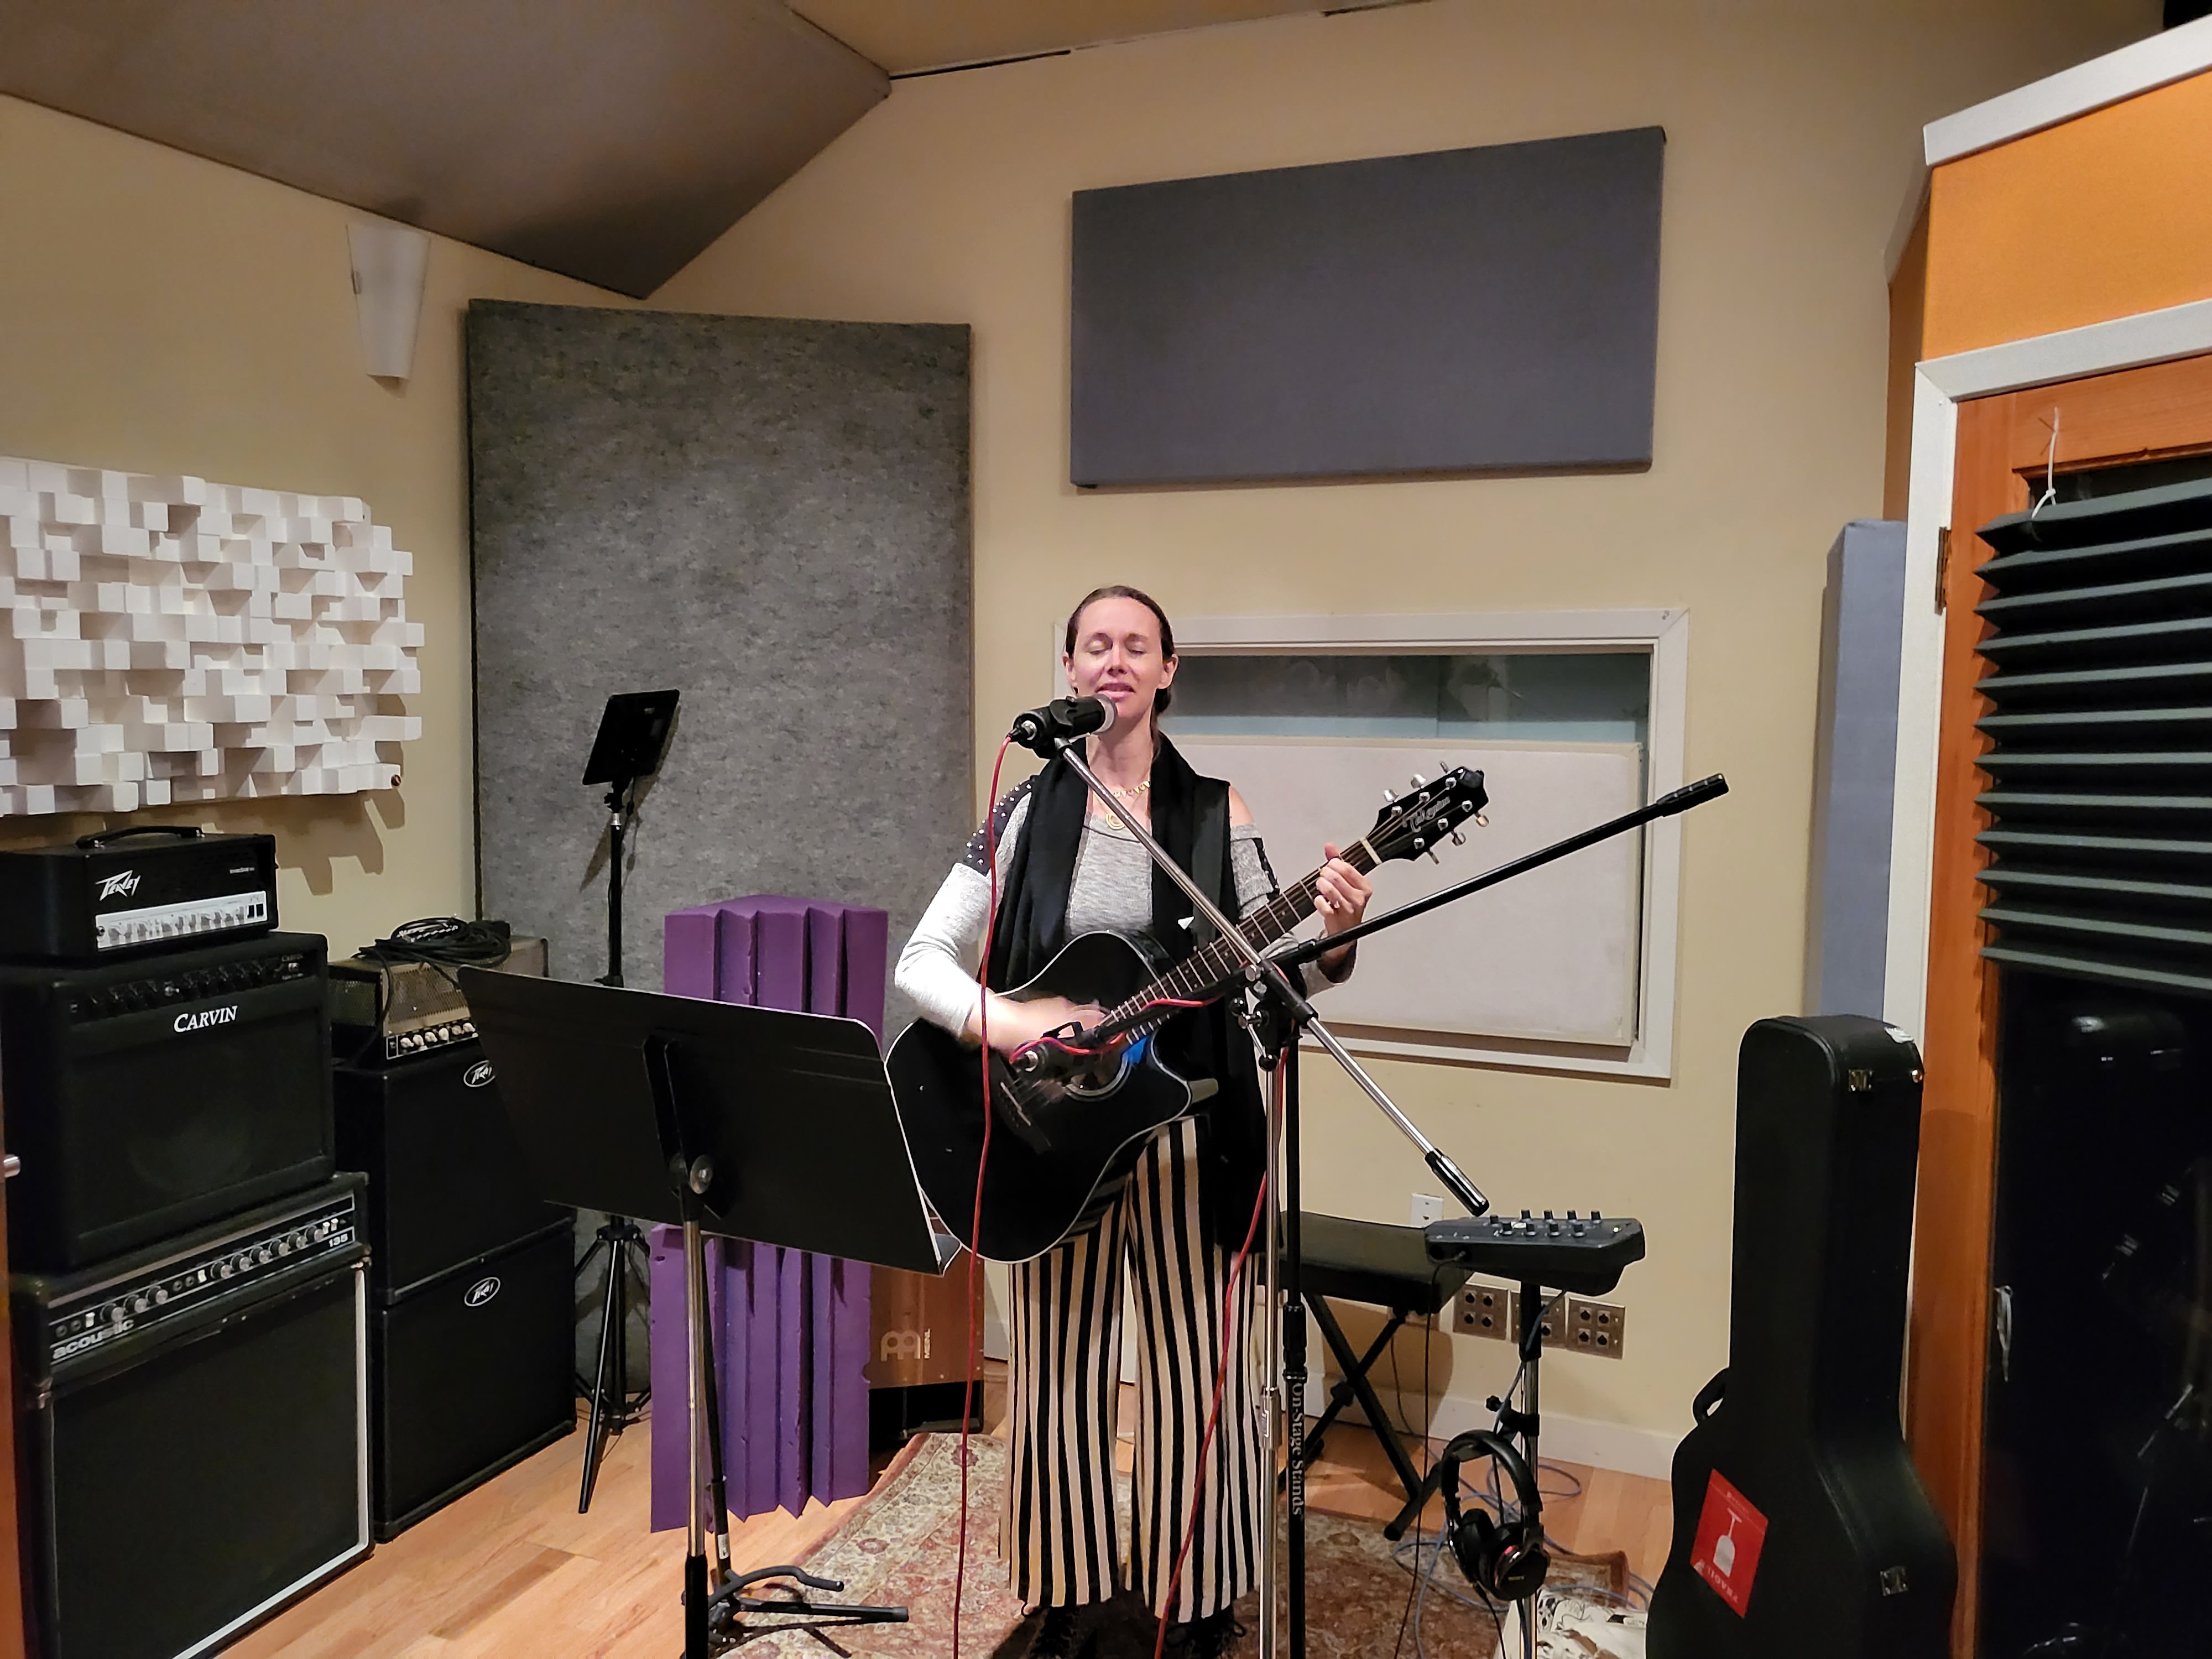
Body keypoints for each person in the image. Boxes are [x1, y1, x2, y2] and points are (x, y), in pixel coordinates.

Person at [896, 585, 1373, 1658]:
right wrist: (1017, 1021)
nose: (1114, 661)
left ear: (1167, 672)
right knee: (1056, 1375)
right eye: (1095, 645)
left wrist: (1338, 936)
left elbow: (1273, 975)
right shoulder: (1024, 811)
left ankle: (1194, 1604)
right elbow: (920, 963)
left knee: (1194, 1379)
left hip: (1184, 1139)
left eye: (1137, 646)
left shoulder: (1217, 814)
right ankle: (1065, 1599)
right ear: (1069, 669)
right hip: (1049, 1139)